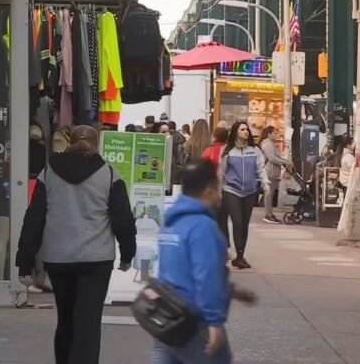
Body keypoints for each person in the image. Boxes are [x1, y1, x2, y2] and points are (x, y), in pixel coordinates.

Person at [16, 125, 137, 364]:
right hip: (96, 259)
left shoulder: (48, 172)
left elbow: (34, 217)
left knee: (66, 319)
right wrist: (127, 255)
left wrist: (25, 263)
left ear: (69, 142)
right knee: (88, 323)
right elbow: (123, 219)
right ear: (96, 144)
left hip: (58, 259)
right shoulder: (109, 174)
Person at [153, 159, 257, 364]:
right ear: (209, 190)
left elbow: (180, 271)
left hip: (166, 316)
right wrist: (214, 321)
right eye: (218, 185)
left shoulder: (172, 222)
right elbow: (206, 276)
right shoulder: (203, 228)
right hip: (194, 322)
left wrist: (231, 291)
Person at [218, 121, 270, 269]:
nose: (246, 132)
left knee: (245, 225)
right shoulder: (227, 151)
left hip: (249, 191)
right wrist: (219, 190)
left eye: (247, 129)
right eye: (242, 129)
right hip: (231, 190)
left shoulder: (254, 151)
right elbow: (221, 172)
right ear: (236, 132)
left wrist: (265, 184)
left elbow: (260, 168)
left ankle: (240, 256)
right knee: (238, 222)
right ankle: (238, 253)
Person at [259, 126, 292, 224]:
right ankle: (268, 215)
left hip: (273, 172)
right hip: (270, 172)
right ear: (269, 134)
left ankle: (270, 213)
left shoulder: (270, 144)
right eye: (274, 133)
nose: (276, 135)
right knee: (269, 195)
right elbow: (272, 158)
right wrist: (284, 162)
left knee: (270, 194)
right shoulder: (267, 144)